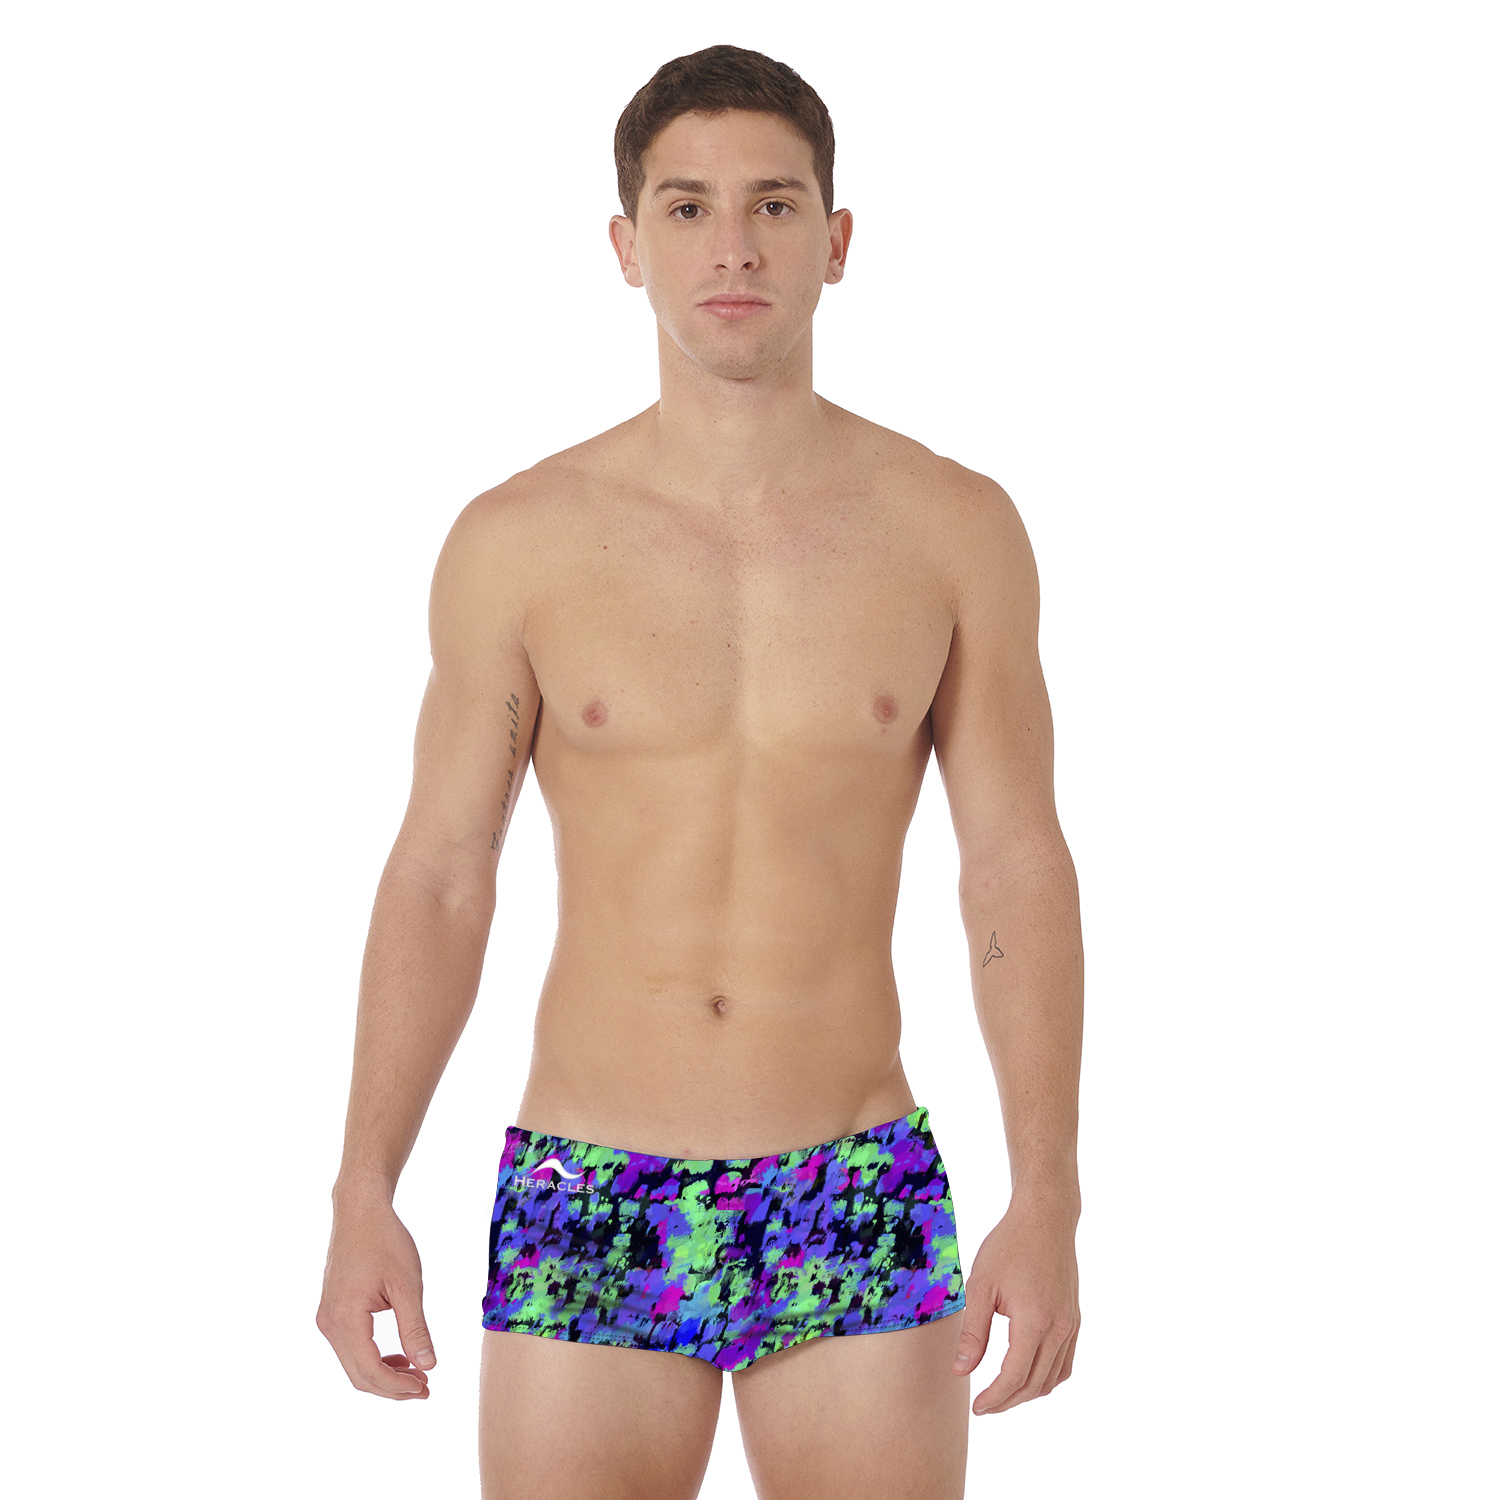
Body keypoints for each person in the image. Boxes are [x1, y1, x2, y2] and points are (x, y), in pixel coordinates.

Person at [316, 42, 1083, 1500]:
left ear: (836, 239)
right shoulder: (518, 541)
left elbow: (1015, 863)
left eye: (774, 205)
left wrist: (1048, 1194)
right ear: (627, 245)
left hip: (850, 1181)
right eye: (687, 208)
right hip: (591, 1182)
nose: (733, 246)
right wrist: (365, 1187)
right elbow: (442, 874)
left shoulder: (953, 529)